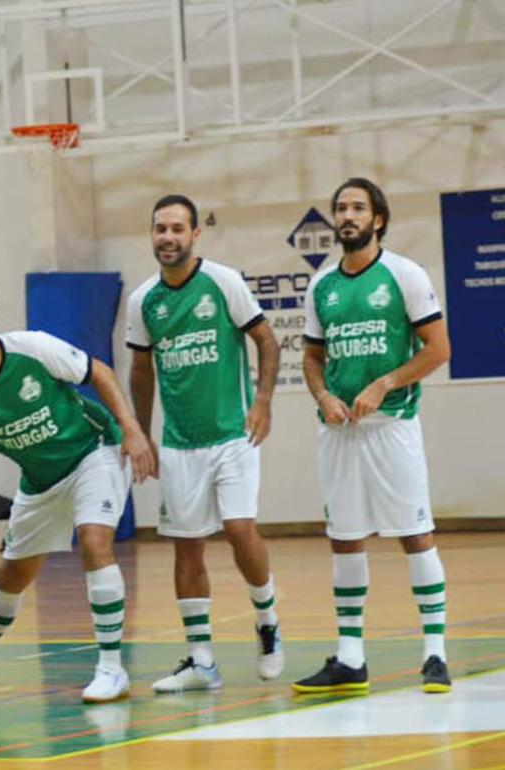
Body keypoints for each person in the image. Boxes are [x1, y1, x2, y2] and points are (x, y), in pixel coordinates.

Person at [0, 275, 155, 704]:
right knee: (11, 576)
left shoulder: (31, 348)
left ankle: (111, 669)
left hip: (94, 450)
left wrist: (132, 430)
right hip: (40, 479)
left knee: (93, 539)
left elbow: (99, 372)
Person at [294, 178, 452, 694]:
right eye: (341, 208)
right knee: (344, 538)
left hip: (393, 428)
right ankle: (350, 657)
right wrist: (321, 396)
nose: (347, 216)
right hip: (339, 433)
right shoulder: (322, 285)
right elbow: (313, 357)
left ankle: (434, 653)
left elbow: (437, 349)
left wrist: (385, 383)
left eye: (358, 208)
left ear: (378, 219)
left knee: (414, 533)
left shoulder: (404, 274)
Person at [126, 194, 286, 693]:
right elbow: (140, 368)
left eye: (177, 228)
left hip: (233, 434)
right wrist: (142, 434)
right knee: (186, 547)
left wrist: (262, 401)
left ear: (195, 234)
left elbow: (266, 340)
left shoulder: (222, 282)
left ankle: (268, 621)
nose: (167, 237)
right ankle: (201, 660)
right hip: (179, 444)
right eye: (160, 229)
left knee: (240, 529)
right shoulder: (143, 300)